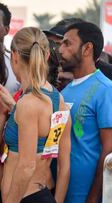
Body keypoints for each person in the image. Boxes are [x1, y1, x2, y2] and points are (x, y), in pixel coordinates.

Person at [0, 27, 71, 203]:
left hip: (24, 197)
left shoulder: (29, 103)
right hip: (42, 193)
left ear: (14, 56)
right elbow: (64, 165)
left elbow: (27, 166)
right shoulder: (57, 98)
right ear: (46, 56)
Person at [59, 21, 112, 203]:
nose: (60, 50)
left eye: (67, 43)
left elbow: (109, 150)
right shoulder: (64, 92)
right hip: (61, 191)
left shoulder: (105, 89)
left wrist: (93, 196)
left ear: (87, 48)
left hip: (87, 195)